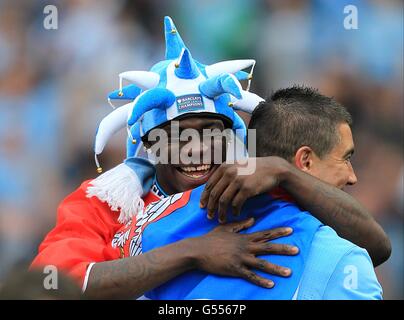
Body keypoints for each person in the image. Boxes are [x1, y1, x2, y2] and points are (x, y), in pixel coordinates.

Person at [31, 17, 390, 300]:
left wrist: (283, 172)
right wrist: (192, 252)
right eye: (179, 135)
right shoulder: (104, 202)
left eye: (211, 132)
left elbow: (374, 245)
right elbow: (50, 285)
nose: (198, 148)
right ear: (152, 143)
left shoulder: (250, 184)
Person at [135, 86, 384, 299]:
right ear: (305, 161)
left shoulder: (152, 233)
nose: (353, 177)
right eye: (345, 158)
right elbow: (380, 248)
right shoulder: (344, 259)